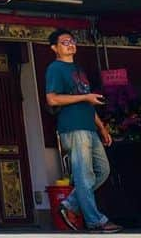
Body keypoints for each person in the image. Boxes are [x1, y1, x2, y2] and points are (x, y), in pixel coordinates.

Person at [44, 28, 122, 233]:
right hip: (73, 127)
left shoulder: (78, 69)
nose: (70, 44)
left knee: (103, 170)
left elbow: (89, 101)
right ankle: (96, 221)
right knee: (84, 176)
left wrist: (102, 127)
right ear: (54, 48)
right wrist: (85, 98)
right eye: (64, 42)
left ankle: (69, 204)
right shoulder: (55, 68)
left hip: (89, 127)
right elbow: (52, 99)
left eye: (71, 41)